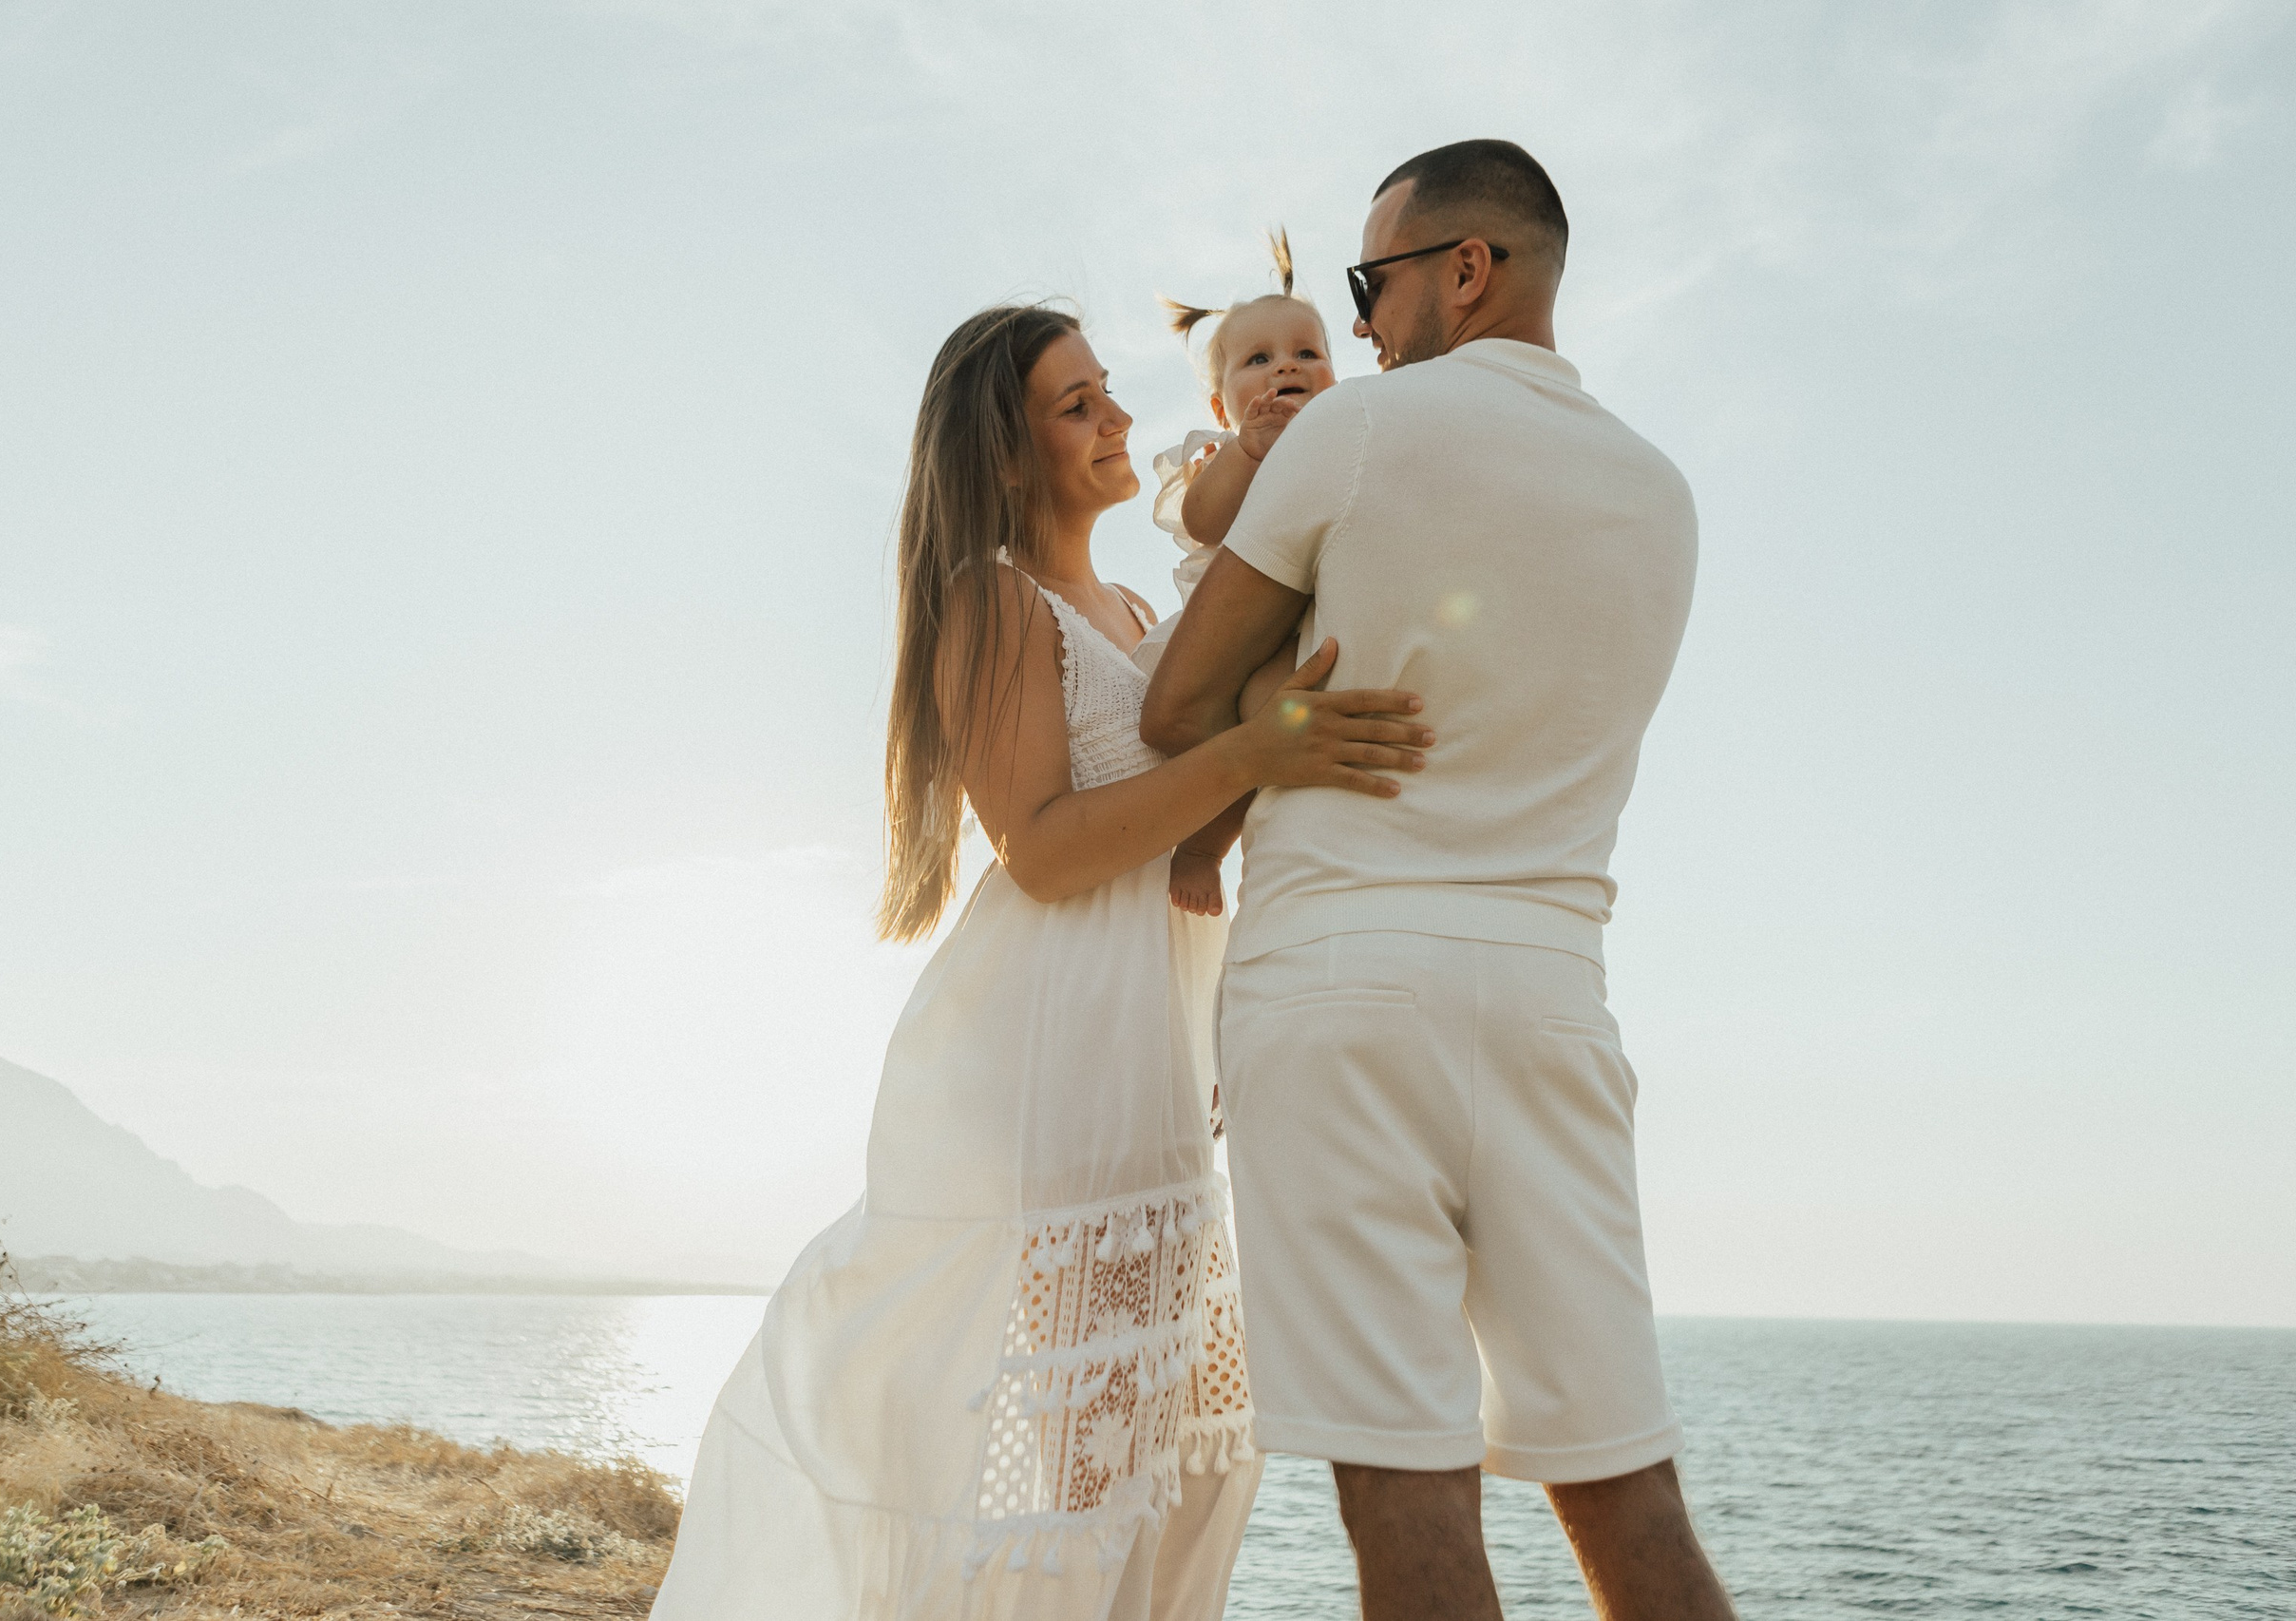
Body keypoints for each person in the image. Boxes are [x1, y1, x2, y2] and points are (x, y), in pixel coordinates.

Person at [653, 302, 1436, 1620]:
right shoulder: (994, 600)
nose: (1121, 416)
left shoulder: (1133, 604)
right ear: (1007, 457)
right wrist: (1252, 753)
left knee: (1152, 1447)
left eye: (1108, 390)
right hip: (1049, 1052)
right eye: (1077, 404)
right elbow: (1045, 848)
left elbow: (1197, 817)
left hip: (1154, 1050)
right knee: (1069, 1455)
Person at [1143, 141, 1737, 1621]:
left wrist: (1278, 714)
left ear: (1467, 267)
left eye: (1373, 282)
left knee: (1408, 1504)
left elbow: (1177, 714)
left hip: (1341, 993)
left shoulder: (1359, 438)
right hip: (1554, 1003)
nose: (1357, 327)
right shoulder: (1663, 496)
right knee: (1628, 1489)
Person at [1138, 228, 1340, 920]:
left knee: (1275, 713)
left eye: (1308, 353)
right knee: (1236, 724)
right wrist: (1246, 454)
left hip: (1292, 625)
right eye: (1258, 359)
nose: (1287, 367)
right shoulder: (1226, 450)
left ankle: (1255, 835)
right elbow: (1203, 521)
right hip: (1227, 623)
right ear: (1222, 406)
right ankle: (1202, 845)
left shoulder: (1343, 435)